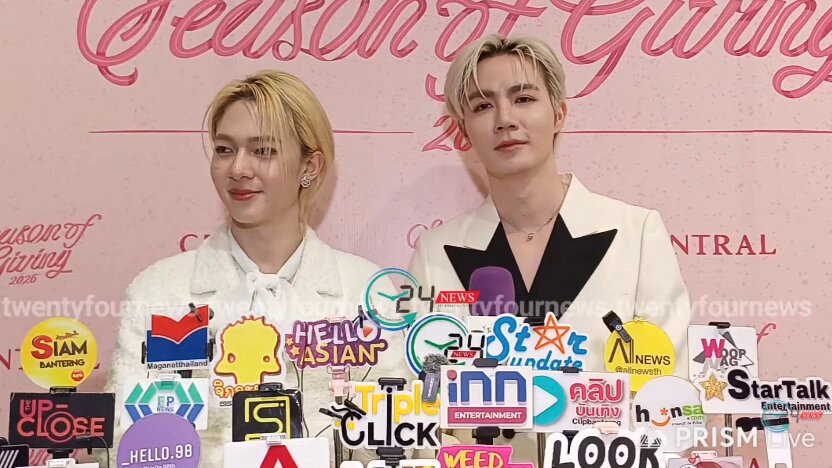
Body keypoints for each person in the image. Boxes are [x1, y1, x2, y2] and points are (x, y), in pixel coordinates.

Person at [408, 34, 691, 462]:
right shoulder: (436, 252)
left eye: (523, 99)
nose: (505, 119)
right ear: (463, 131)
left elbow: (670, 393)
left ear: (559, 113)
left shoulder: (636, 234)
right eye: (482, 106)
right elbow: (423, 405)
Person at [106, 70, 402, 467]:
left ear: (310, 166)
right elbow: (123, 443)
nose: (238, 169)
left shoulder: (368, 292)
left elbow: (398, 439)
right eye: (224, 150)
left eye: (263, 151)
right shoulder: (159, 291)